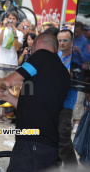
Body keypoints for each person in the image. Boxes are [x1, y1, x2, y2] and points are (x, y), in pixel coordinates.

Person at [0, 32, 70, 171]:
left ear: (38, 43)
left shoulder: (40, 56)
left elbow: (8, 81)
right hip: (49, 144)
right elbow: (36, 106)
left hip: (31, 143)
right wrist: (7, 97)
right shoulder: (63, 72)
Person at [56, 29, 78, 169]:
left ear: (72, 41)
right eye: (59, 40)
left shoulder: (76, 59)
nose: (62, 43)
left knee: (63, 138)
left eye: (65, 40)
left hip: (67, 102)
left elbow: (69, 77)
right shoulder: (56, 55)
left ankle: (72, 168)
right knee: (52, 137)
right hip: (53, 101)